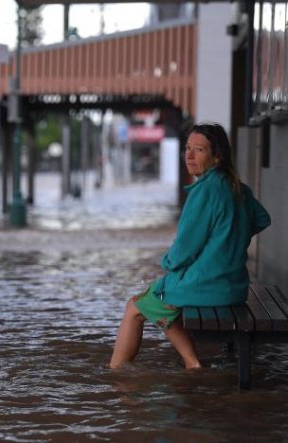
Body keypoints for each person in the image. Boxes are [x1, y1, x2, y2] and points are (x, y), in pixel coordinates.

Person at [109, 122, 271, 369]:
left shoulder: (205, 190)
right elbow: (262, 219)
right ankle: (191, 362)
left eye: (199, 150)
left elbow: (184, 249)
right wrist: (230, 240)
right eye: (187, 148)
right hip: (234, 285)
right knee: (158, 296)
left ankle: (116, 374)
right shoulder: (237, 187)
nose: (190, 155)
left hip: (207, 285)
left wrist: (167, 263)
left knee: (135, 306)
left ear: (217, 157)